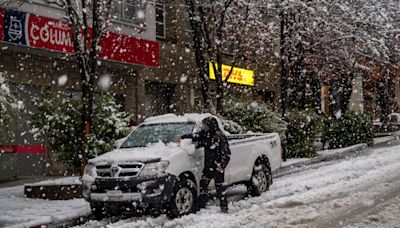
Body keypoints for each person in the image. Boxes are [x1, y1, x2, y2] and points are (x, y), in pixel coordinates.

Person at [180, 116, 231, 213]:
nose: (204, 128)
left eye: (206, 126)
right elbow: (196, 136)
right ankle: (201, 205)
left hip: (217, 167)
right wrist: (184, 137)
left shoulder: (219, 137)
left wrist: (221, 166)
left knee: (220, 189)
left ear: (211, 125)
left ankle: (224, 207)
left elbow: (227, 154)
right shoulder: (206, 134)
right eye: (203, 126)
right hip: (208, 167)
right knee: (203, 184)